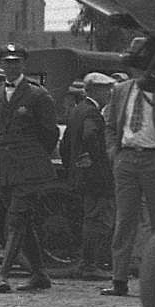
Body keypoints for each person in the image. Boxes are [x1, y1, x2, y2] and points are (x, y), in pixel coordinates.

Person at [101, 39, 155, 298]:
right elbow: (110, 126)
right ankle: (119, 280)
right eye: (135, 62)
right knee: (125, 220)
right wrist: (114, 152)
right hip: (126, 160)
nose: (139, 68)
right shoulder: (120, 90)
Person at [0, 47, 60, 292]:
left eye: (16, 62)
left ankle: (2, 275)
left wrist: (34, 155)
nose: (11, 66)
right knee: (23, 221)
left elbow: (50, 134)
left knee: (16, 220)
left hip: (30, 168)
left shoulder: (37, 95)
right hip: (8, 167)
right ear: (0, 64)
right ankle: (40, 274)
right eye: (7, 62)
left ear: (24, 64)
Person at [60, 75, 116, 276]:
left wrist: (73, 168)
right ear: (92, 90)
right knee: (97, 219)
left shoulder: (77, 111)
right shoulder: (93, 114)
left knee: (90, 218)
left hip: (81, 176)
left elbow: (65, 145)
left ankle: (89, 263)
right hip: (96, 178)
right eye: (104, 89)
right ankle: (90, 265)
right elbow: (91, 136)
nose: (109, 93)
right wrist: (98, 161)